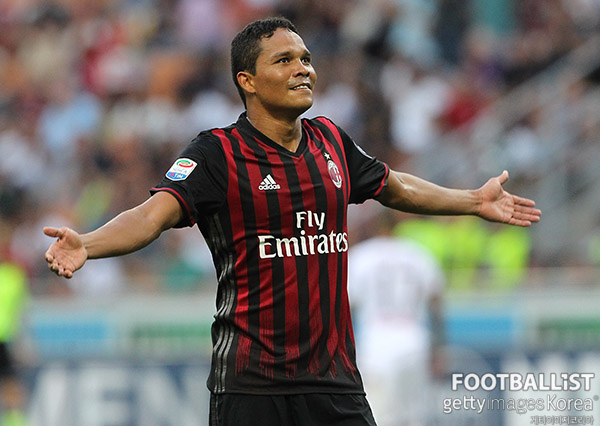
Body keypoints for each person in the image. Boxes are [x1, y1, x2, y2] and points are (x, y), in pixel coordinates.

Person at [43, 17, 541, 426]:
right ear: (247, 80)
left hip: (336, 382)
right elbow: (151, 215)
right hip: (251, 385)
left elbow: (394, 186)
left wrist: (472, 200)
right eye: (284, 60)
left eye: (305, 58)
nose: (303, 69)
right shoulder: (218, 153)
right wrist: (88, 242)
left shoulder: (331, 140)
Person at [348, 211, 445, 426]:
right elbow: (436, 300)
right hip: (414, 341)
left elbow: (346, 306)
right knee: (414, 417)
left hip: (377, 344)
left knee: (379, 416)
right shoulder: (417, 254)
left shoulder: (360, 256)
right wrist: (439, 347)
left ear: (375, 226)